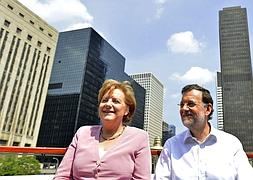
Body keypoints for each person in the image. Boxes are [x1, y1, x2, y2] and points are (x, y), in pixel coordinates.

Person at [54, 79, 151, 180]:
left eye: (115, 101)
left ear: (127, 110)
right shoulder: (82, 133)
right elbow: (62, 176)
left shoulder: (139, 138)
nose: (108, 104)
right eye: (104, 100)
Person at [154, 84, 253, 179]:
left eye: (190, 104)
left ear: (208, 109)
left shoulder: (231, 144)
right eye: (181, 105)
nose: (183, 108)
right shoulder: (171, 145)